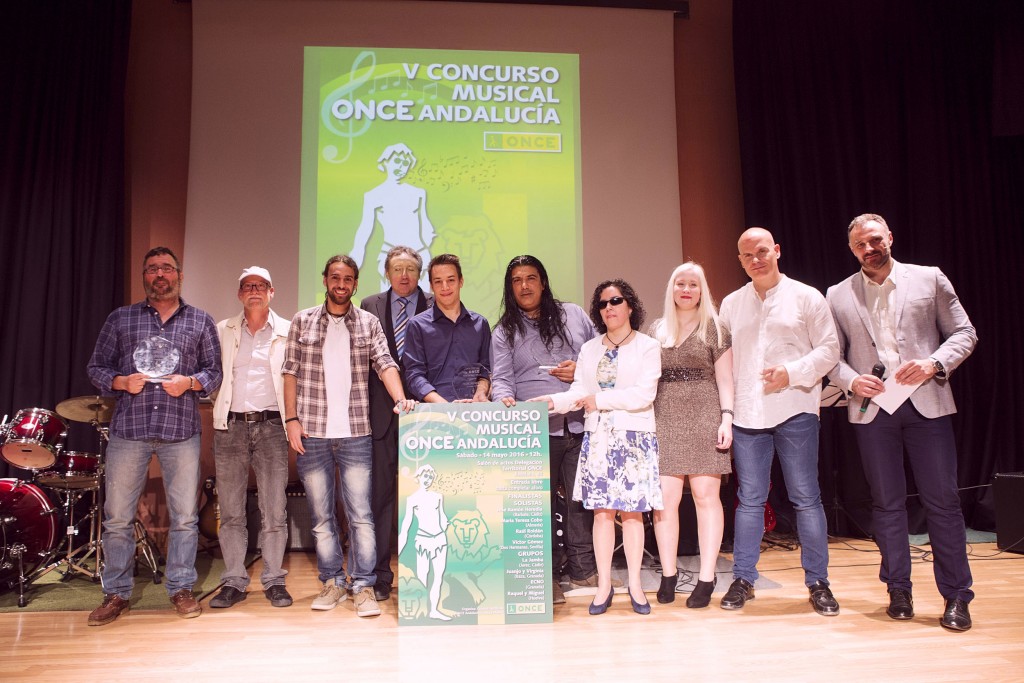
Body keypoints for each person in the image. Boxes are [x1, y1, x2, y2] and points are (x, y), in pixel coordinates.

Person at [827, 213, 977, 631]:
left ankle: (957, 596)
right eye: (860, 245)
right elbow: (831, 355)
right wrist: (850, 378)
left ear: (890, 237)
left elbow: (964, 333)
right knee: (886, 505)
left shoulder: (928, 279)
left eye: (875, 240)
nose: (869, 249)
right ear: (852, 249)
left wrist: (933, 363)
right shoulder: (837, 294)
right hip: (873, 410)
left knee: (943, 504)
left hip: (926, 405)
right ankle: (898, 588)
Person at [85, 246, 222, 625]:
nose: (159, 274)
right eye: (152, 269)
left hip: (181, 432)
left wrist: (192, 382)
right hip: (130, 431)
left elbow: (214, 372)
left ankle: (180, 588)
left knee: (185, 518)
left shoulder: (200, 321)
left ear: (180, 275)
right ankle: (116, 593)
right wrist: (118, 381)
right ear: (144, 276)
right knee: (117, 518)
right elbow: (96, 367)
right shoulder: (121, 319)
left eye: (166, 268)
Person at [282, 254, 416, 618]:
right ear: (325, 280)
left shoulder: (369, 323)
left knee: (362, 516)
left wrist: (402, 399)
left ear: (356, 285)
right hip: (312, 433)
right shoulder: (302, 321)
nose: (341, 285)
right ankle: (331, 582)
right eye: (335, 278)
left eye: (348, 280)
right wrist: (291, 419)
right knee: (322, 517)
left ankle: (363, 586)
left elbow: (385, 364)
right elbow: (290, 372)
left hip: (357, 432)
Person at [718, 227, 840, 616]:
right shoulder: (731, 304)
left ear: (777, 251)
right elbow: (722, 362)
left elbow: (830, 350)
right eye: (748, 255)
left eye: (762, 251)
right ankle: (743, 579)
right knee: (749, 501)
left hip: (795, 410)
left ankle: (818, 582)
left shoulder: (806, 296)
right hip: (748, 414)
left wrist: (792, 371)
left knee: (806, 498)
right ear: (740, 261)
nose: (756, 259)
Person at [534, 279, 662, 616]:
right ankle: (604, 585)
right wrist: (551, 402)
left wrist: (599, 400)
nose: (609, 308)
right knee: (602, 514)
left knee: (632, 514)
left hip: (634, 437)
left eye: (616, 301)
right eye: (603, 304)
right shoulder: (590, 348)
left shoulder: (648, 346)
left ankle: (635, 584)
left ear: (630, 306)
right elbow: (578, 391)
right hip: (598, 438)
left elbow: (643, 394)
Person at [491, 255, 609, 604]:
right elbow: (501, 379)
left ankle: (584, 570)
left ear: (543, 282)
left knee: (579, 503)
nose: (524, 286)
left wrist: (581, 371)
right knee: (537, 507)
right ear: (510, 288)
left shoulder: (573, 314)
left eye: (531, 278)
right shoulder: (504, 331)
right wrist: (506, 402)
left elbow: (603, 356)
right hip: (533, 430)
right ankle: (545, 576)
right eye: (517, 280)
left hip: (580, 425)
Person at [649, 262, 734, 608]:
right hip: (664, 416)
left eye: (693, 285)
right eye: (680, 284)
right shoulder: (657, 330)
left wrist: (726, 419)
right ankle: (668, 575)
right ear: (671, 289)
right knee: (665, 502)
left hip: (705, 415)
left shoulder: (716, 328)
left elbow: (726, 380)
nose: (686, 290)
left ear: (702, 291)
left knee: (704, 498)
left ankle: (707, 577)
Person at [208, 266, 292, 609]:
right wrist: (222, 406)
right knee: (230, 511)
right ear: (240, 294)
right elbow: (213, 375)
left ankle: (273, 580)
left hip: (273, 427)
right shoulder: (222, 330)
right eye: (247, 286)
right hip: (230, 428)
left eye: (260, 285)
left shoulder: (289, 330)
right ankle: (233, 580)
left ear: (272, 292)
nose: (254, 290)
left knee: (274, 509)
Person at [360, 245, 433, 601]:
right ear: (387, 273)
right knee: (381, 498)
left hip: (426, 415)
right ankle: (379, 574)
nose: (404, 275)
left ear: (419, 273)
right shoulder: (369, 305)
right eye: (397, 269)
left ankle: (424, 574)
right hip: (381, 417)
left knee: (426, 496)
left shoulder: (436, 304)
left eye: (410, 269)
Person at [403, 253, 491, 403]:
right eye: (438, 282)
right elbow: (414, 375)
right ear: (431, 286)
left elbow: (486, 369)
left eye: (451, 280)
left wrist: (481, 393)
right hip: (436, 415)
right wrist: (444, 407)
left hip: (475, 411)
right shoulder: (416, 326)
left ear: (461, 281)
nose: (445, 287)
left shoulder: (480, 324)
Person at [350, 143, 436, 292]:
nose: (401, 167)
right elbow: (364, 230)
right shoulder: (373, 196)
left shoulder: (418, 193)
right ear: (385, 161)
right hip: (388, 257)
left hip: (420, 254)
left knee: (425, 306)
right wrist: (351, 266)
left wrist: (427, 246)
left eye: (405, 163)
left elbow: (426, 224)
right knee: (387, 306)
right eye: (396, 161)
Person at [396, 464, 450, 620]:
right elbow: (406, 525)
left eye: (431, 477)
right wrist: (401, 546)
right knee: (422, 577)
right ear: (418, 477)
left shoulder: (438, 496)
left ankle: (434, 610)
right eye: (425, 476)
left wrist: (445, 524)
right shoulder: (412, 499)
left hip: (440, 539)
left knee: (438, 577)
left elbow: (442, 516)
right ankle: (422, 610)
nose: (428, 479)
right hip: (423, 540)